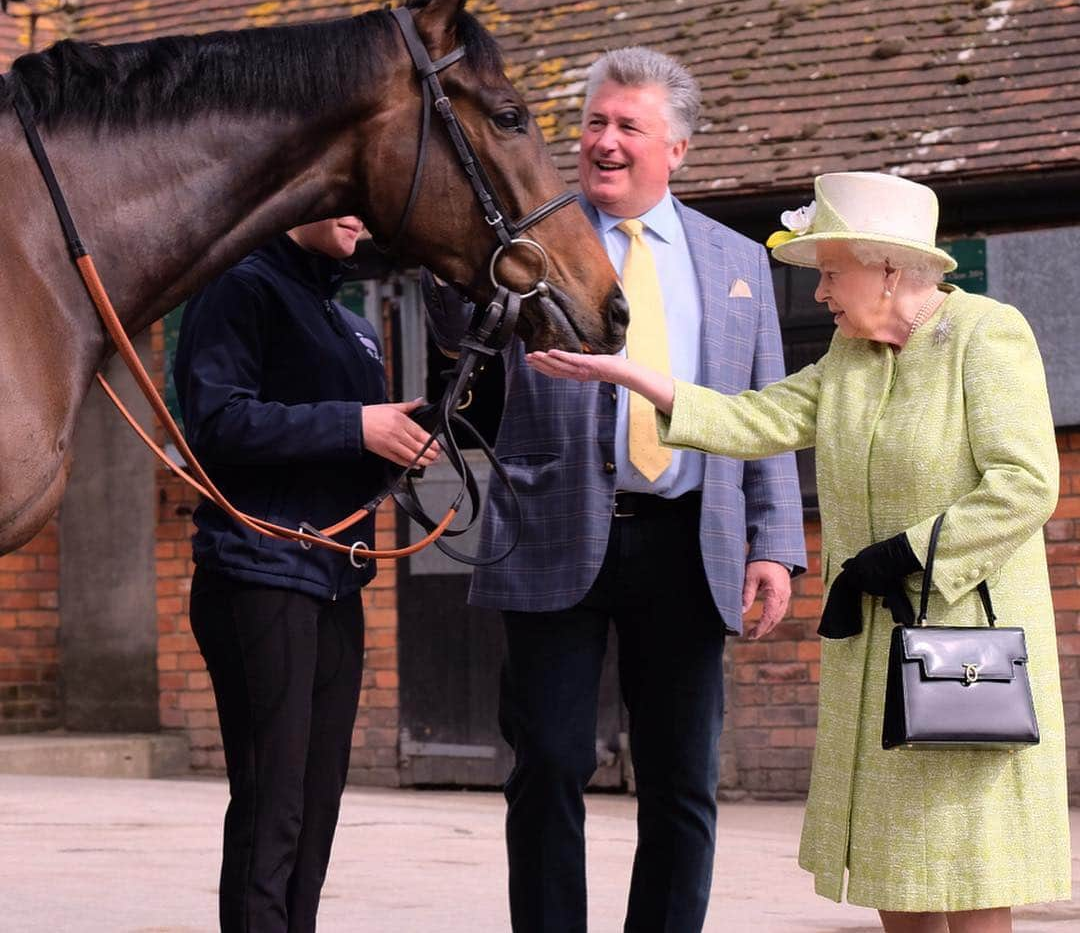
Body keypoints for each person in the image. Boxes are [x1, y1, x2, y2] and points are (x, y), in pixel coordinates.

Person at [527, 170, 1072, 933]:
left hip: (966, 644)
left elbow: (1024, 483)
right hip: (880, 645)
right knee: (896, 857)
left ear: (888, 266)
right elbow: (754, 419)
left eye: (830, 273)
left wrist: (907, 555)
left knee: (969, 859)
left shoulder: (986, 334)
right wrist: (630, 375)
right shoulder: (849, 361)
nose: (820, 294)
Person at [423, 47, 806, 933]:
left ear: (675, 147)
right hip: (555, 531)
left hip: (688, 538)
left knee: (681, 779)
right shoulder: (532, 239)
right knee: (549, 763)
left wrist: (775, 543)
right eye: (595, 121)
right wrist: (454, 255)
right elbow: (457, 331)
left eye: (628, 125)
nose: (604, 141)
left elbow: (766, 415)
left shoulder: (737, 259)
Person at [173, 215, 439, 933]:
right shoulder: (238, 284)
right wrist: (357, 425)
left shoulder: (347, 320)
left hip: (335, 582)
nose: (362, 212)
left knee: (317, 807)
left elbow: (340, 437)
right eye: (345, 196)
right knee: (272, 803)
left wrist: (400, 439)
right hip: (258, 577)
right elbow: (216, 423)